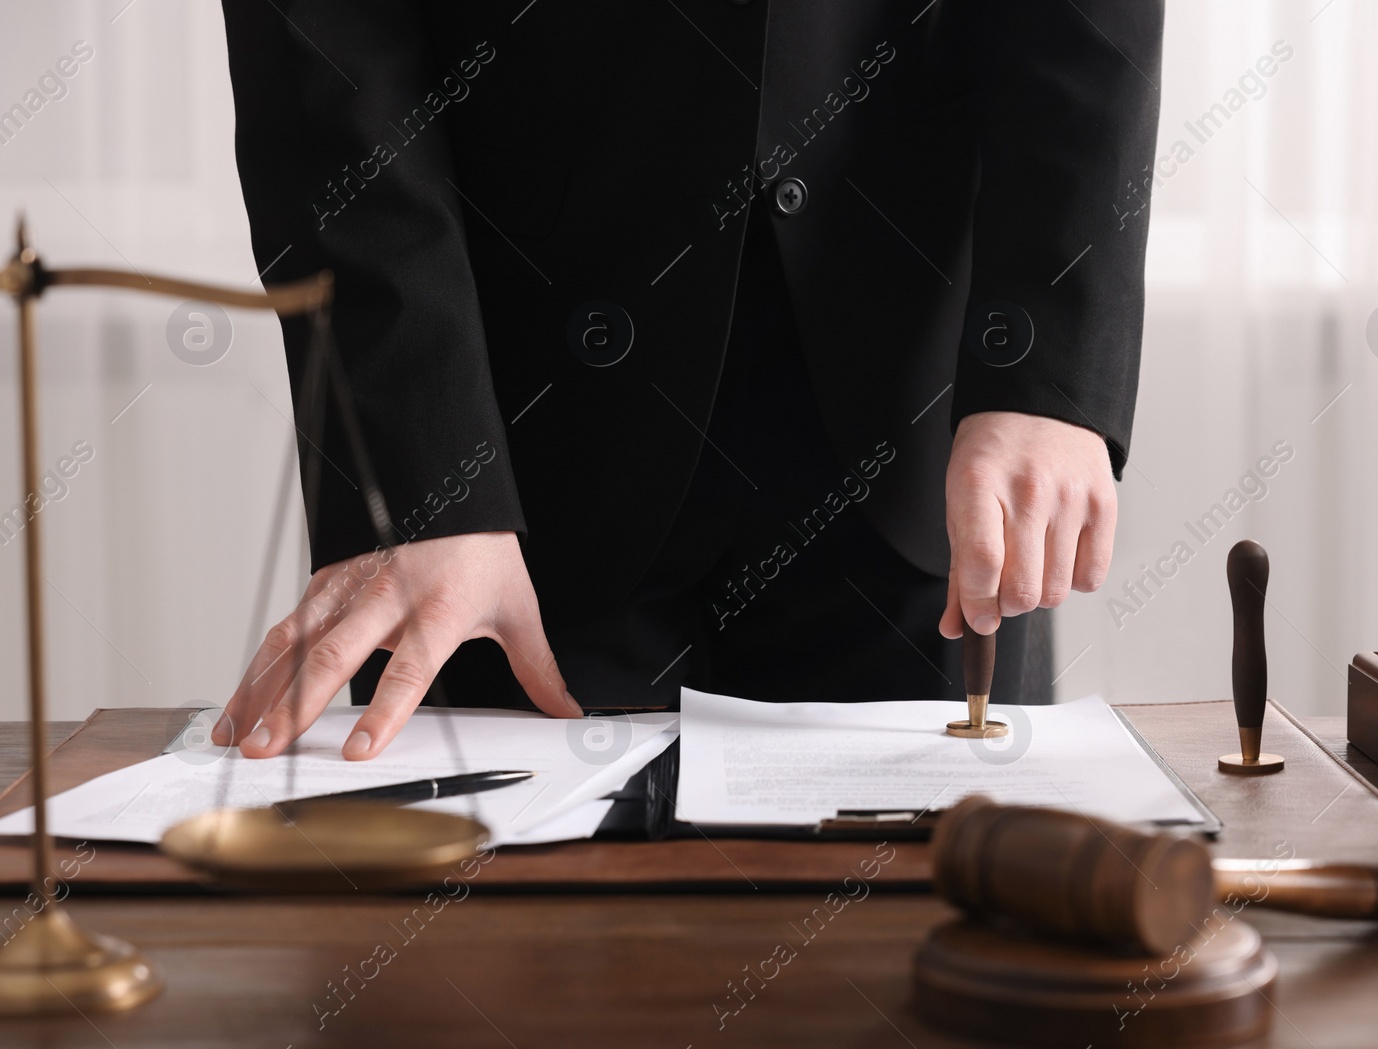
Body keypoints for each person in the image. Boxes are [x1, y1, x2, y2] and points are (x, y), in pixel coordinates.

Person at [211, 0, 1163, 760]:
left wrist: (1040, 362)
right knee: (500, 977)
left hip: (924, 425)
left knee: (934, 967)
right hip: (505, 452)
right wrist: (417, 465)